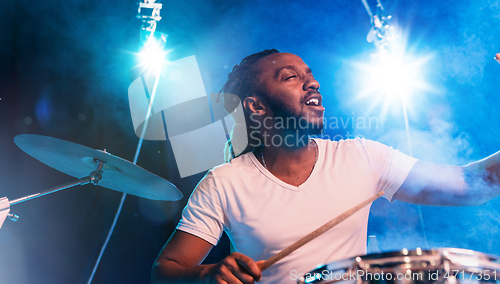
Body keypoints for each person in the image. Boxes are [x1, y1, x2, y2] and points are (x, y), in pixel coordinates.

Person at [151, 49, 500, 284]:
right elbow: (165, 270)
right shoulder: (224, 182)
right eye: (290, 77)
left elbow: (475, 184)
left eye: (310, 75)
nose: (312, 83)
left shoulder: (362, 156)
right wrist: (207, 274)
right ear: (255, 106)